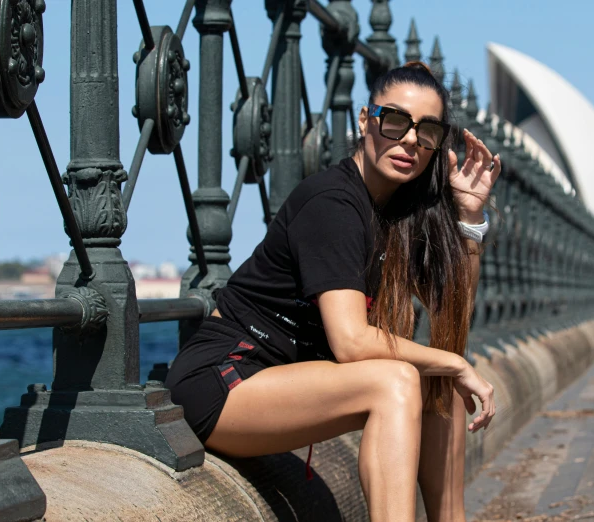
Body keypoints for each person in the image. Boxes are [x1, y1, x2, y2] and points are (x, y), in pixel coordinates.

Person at [165, 62, 500, 522]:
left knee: (433, 381)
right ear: (366, 120)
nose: (409, 141)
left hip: (280, 383)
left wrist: (468, 220)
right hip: (223, 381)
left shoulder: (395, 213)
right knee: (400, 379)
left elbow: (454, 308)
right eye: (396, 121)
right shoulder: (333, 203)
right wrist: (456, 363)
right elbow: (351, 342)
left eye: (427, 133)